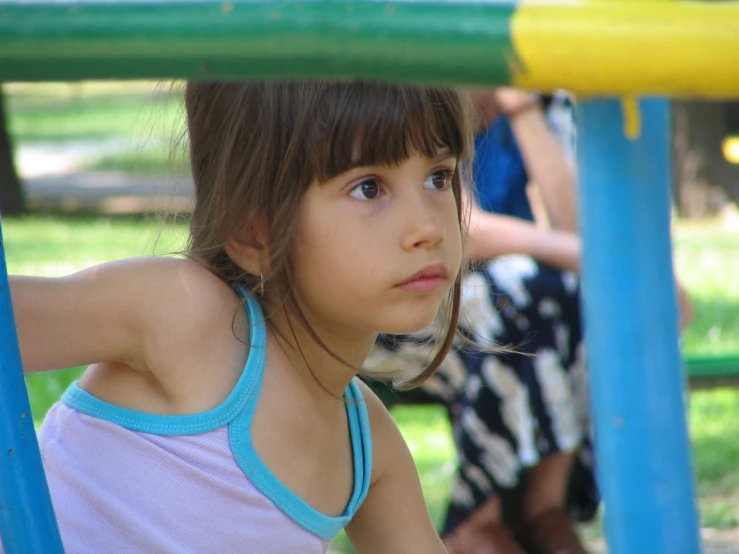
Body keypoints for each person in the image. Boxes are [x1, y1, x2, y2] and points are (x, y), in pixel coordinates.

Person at [5, 81, 475, 553]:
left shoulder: (367, 449)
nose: (428, 227)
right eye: (368, 188)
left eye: (439, 176)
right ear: (254, 233)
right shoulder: (185, 316)